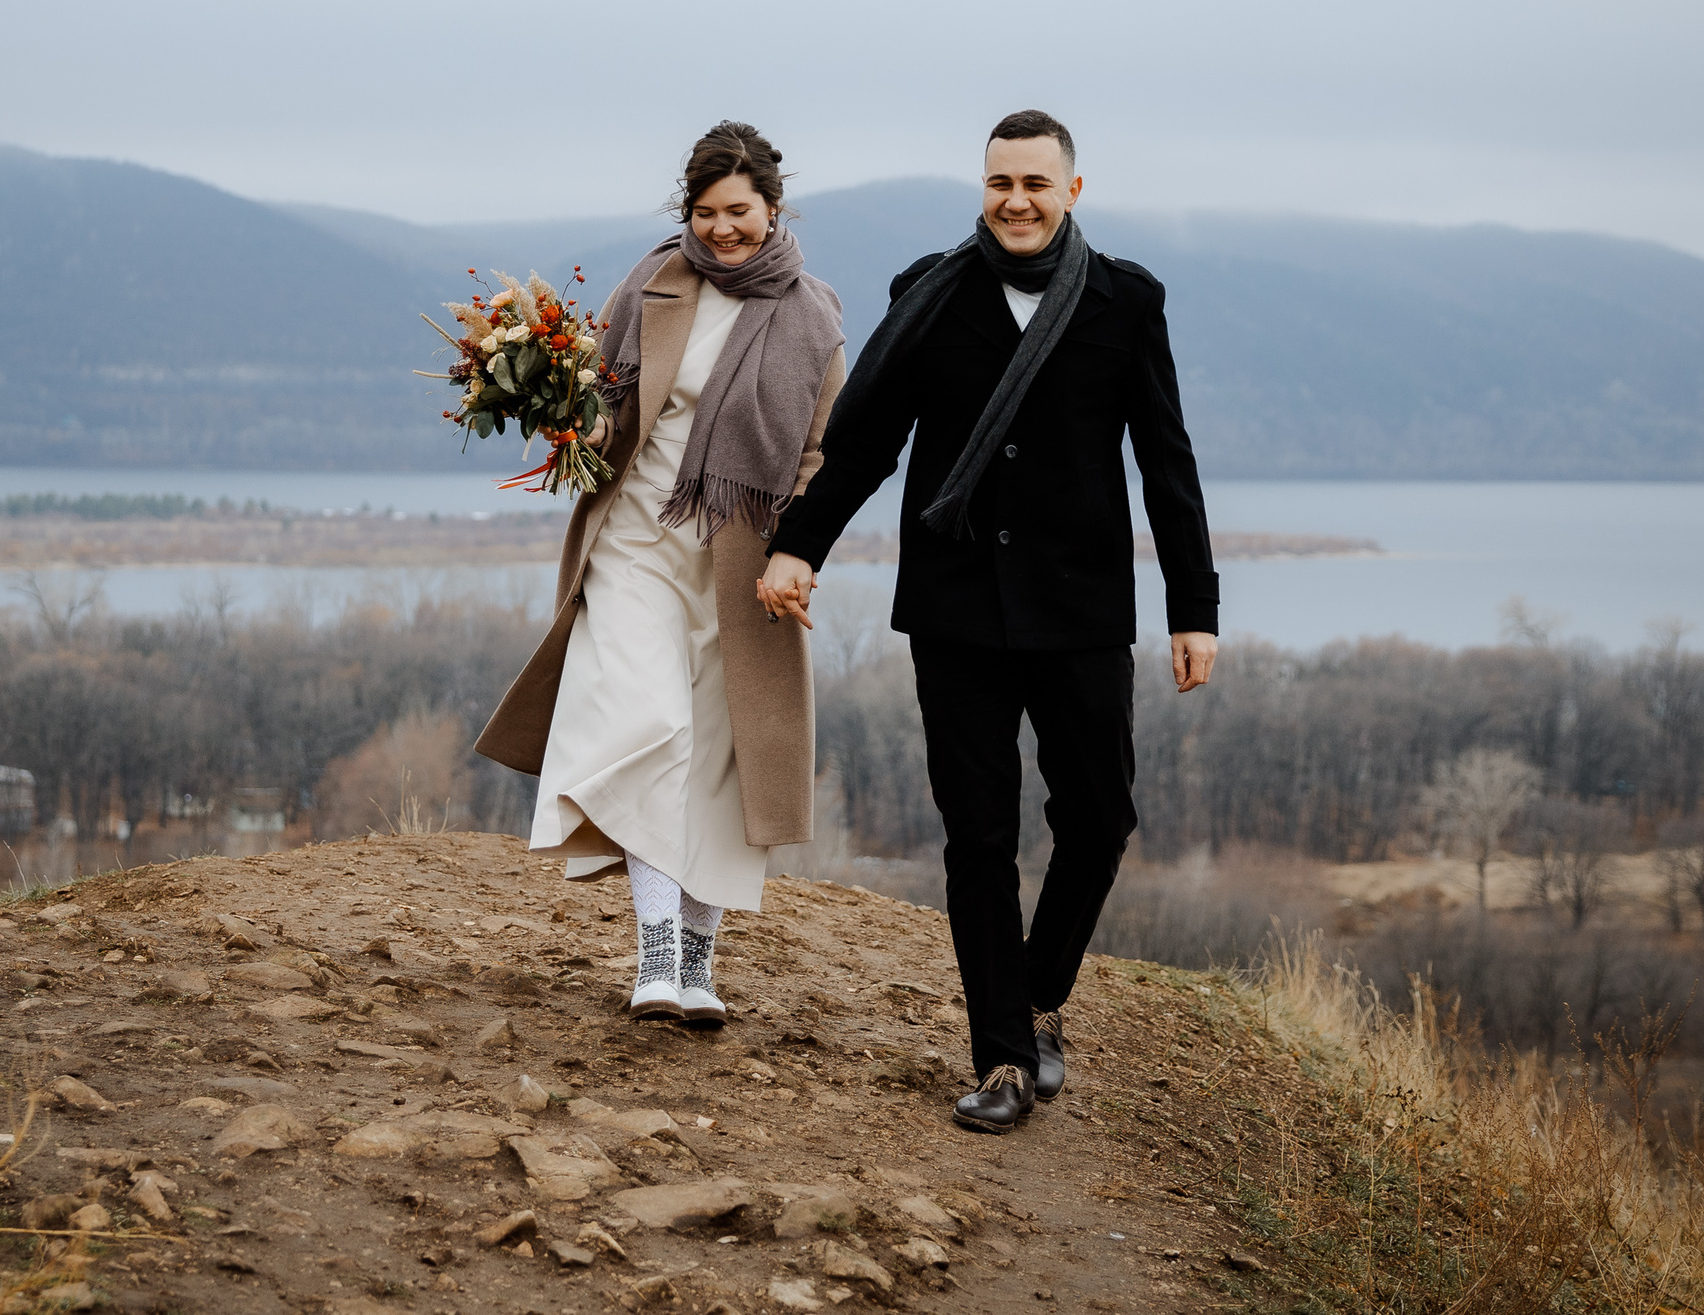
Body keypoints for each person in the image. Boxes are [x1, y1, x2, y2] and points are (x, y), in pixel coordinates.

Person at [758, 108, 1219, 1131]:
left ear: (1072, 192)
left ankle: (1039, 994)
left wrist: (1196, 606)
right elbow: (864, 438)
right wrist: (798, 542)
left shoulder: (1125, 299)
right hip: (957, 606)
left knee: (1099, 820)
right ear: (982, 185)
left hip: (1082, 607)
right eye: (998, 181)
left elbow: (1166, 461)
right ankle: (1004, 1054)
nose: (1015, 200)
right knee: (976, 837)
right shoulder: (929, 292)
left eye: (1035, 184)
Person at [475, 121, 846, 1026]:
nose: (724, 230)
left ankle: (698, 964)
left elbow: (819, 454)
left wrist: (797, 551)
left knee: (723, 760)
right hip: (639, 534)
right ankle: (652, 956)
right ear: (687, 211)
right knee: (652, 726)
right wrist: (562, 412)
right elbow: (609, 409)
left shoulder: (813, 316)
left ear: (774, 207)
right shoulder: (650, 283)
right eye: (707, 213)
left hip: (742, 557)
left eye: (741, 213)